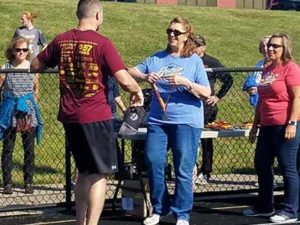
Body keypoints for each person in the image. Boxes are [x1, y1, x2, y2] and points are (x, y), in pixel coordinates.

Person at [30, 1, 143, 225]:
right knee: (100, 175)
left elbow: (35, 65)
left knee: (83, 171)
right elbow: (123, 79)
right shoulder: (102, 43)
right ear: (98, 15)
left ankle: (80, 222)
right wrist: (137, 90)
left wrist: (50, 53)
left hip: (70, 116)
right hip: (96, 116)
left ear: (78, 14)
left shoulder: (61, 40)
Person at [129, 16, 211, 225]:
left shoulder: (194, 61)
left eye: (176, 32)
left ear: (186, 36)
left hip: (186, 120)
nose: (172, 35)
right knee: (154, 161)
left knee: (183, 167)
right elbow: (131, 71)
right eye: (169, 31)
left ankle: (182, 213)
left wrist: (185, 82)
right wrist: (146, 77)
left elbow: (206, 91)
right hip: (158, 120)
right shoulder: (156, 58)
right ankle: (159, 208)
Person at [243, 33, 300, 223]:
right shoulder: (267, 70)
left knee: (287, 167)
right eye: (269, 46)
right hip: (266, 126)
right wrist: (254, 126)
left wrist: (292, 123)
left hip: (284, 125)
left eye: (275, 46)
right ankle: (265, 206)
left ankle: (290, 210)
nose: (270, 49)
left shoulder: (291, 68)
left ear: (285, 48)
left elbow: (297, 98)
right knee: (262, 164)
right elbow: (261, 101)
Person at [0, 36, 43, 195]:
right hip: (10, 109)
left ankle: (28, 182)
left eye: (25, 50)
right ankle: (7, 183)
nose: (21, 53)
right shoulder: (6, 67)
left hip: (27, 111)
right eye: (18, 50)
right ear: (13, 50)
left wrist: (32, 104)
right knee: (8, 148)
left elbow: (36, 89)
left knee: (29, 149)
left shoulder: (32, 67)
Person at [193, 35, 233, 184]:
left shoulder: (211, 62)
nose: (195, 48)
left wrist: (217, 97)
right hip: (191, 103)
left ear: (204, 47)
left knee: (205, 138)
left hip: (207, 105)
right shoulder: (187, 59)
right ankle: (192, 169)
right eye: (192, 45)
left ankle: (206, 170)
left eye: (197, 45)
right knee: (190, 137)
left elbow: (229, 79)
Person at [243, 35, 271, 107]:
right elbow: (255, 80)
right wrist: (250, 87)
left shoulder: (279, 65)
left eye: (267, 46)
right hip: (259, 101)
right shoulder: (259, 63)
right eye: (263, 46)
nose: (265, 49)